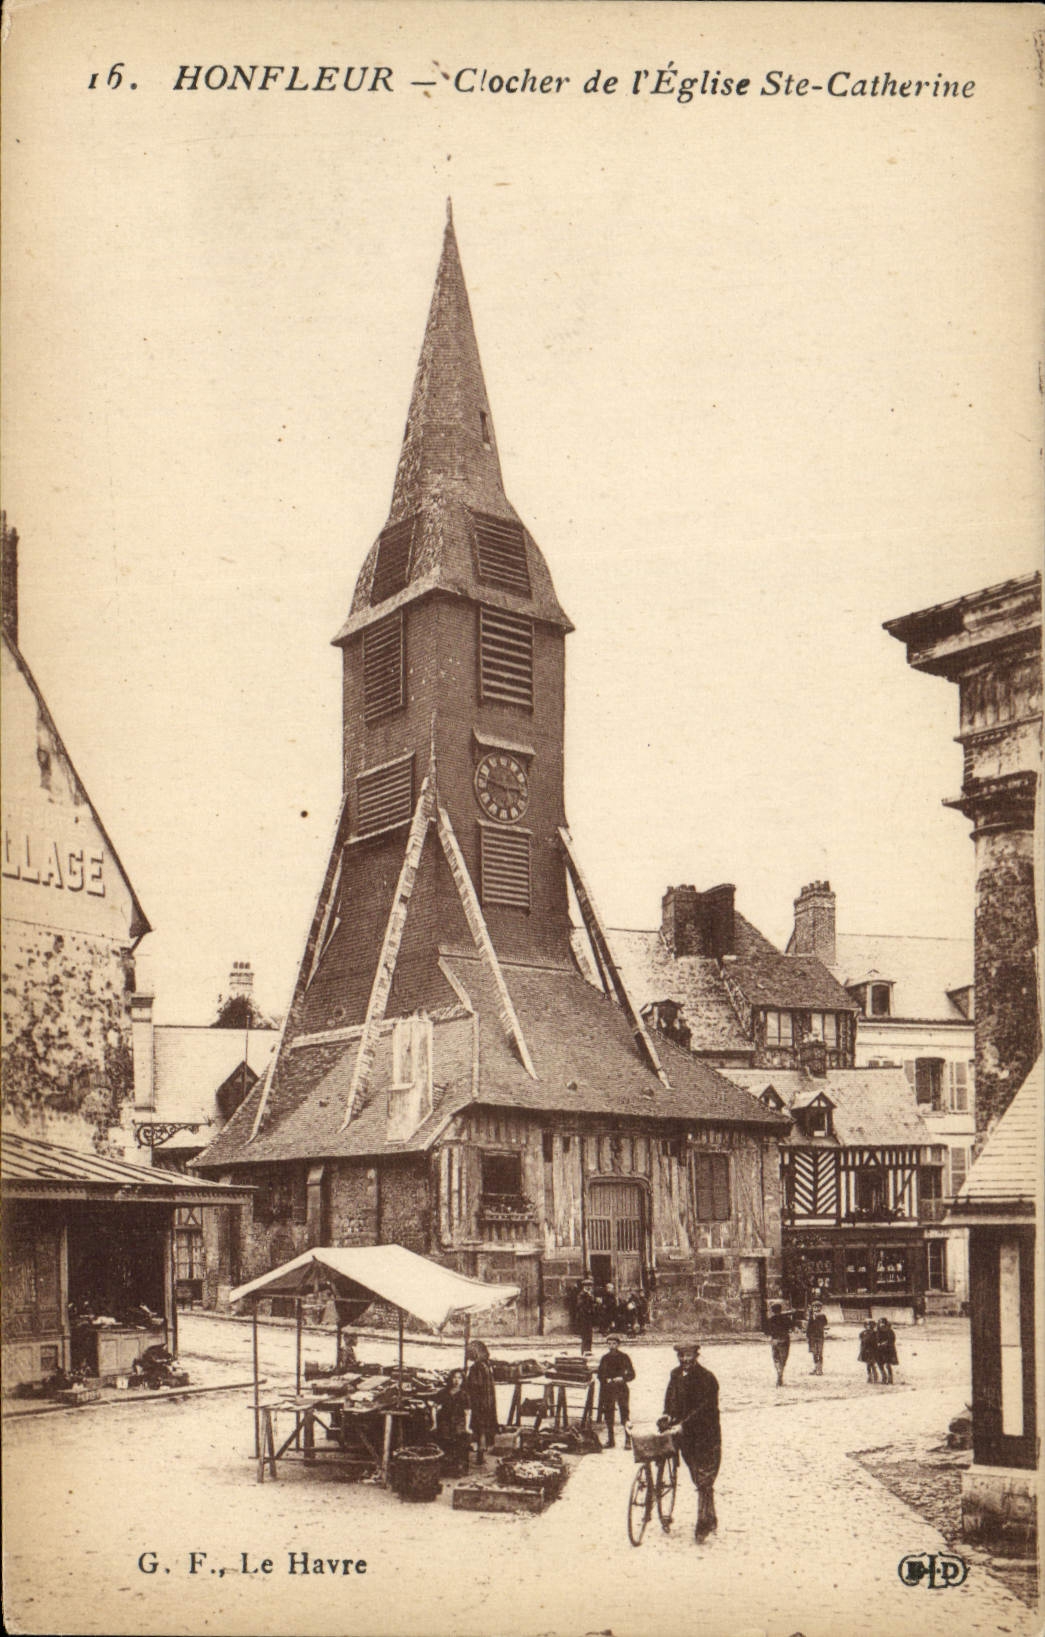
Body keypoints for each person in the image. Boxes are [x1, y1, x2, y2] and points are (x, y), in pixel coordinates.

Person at [663, 1342, 721, 1542]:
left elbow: (706, 1408)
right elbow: (670, 1397)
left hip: (706, 1434)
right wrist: (667, 1414)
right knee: (697, 1476)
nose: (685, 1360)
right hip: (685, 1435)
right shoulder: (675, 1374)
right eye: (681, 1356)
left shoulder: (707, 1378)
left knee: (704, 1478)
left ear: (696, 1355)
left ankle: (702, 1525)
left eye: (689, 1356)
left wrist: (684, 1425)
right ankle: (711, 1517)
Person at [596, 1334, 635, 1449]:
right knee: (608, 1414)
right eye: (609, 1344)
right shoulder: (605, 1358)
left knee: (624, 1413)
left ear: (618, 1344)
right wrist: (606, 1379)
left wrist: (623, 1378)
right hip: (608, 1389)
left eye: (614, 1343)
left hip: (621, 1388)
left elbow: (632, 1374)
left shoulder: (624, 1357)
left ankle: (628, 1440)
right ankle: (611, 1440)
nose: (611, 1346)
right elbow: (599, 1374)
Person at [465, 1340, 499, 1463]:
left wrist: (465, 1383)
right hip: (487, 1401)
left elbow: (475, 1385)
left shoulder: (476, 1367)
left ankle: (479, 1455)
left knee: (479, 1427)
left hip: (478, 1402)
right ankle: (481, 1454)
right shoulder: (486, 1364)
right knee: (483, 1428)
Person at [434, 1368, 471, 1475]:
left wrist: (467, 1427)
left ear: (463, 1380)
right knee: (444, 1437)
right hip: (445, 1420)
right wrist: (434, 1423)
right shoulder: (443, 1392)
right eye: (454, 1377)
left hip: (459, 1421)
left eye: (459, 1378)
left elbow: (467, 1412)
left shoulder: (464, 1395)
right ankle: (445, 1467)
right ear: (450, 1379)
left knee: (460, 1437)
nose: (456, 1380)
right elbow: (434, 1406)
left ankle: (459, 1468)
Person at [767, 1301, 792, 1387]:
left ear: (772, 1311)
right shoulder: (786, 1318)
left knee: (776, 1358)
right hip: (784, 1339)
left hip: (775, 1340)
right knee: (783, 1359)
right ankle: (780, 1373)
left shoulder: (770, 1320)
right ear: (781, 1310)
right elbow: (791, 1328)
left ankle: (778, 1372)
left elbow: (767, 1331)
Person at [575, 1278, 596, 1355]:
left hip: (589, 1318)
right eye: (587, 1285)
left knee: (589, 1336)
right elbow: (580, 1305)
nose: (589, 1287)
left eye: (590, 1285)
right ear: (584, 1286)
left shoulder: (589, 1294)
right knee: (585, 1336)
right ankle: (584, 1351)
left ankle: (588, 1351)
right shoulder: (582, 1294)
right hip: (583, 1318)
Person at [806, 1303, 827, 1375]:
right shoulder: (811, 1316)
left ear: (820, 1308)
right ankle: (816, 1368)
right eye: (814, 1307)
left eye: (818, 1307)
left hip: (819, 1336)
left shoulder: (822, 1316)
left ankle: (820, 1369)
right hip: (812, 1337)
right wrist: (807, 1336)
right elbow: (808, 1327)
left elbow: (824, 1323)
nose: (816, 1308)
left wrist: (815, 1317)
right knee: (814, 1353)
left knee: (819, 1352)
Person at [876, 1317, 898, 1384]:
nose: (882, 1325)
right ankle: (884, 1376)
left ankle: (890, 1378)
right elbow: (876, 1339)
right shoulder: (878, 1331)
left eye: (883, 1323)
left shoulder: (890, 1331)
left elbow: (892, 1340)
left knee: (888, 1364)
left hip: (888, 1350)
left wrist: (885, 1343)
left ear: (886, 1324)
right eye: (880, 1323)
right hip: (879, 1350)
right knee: (880, 1364)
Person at [858, 1319, 880, 1384]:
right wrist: (862, 1350)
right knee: (868, 1364)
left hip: (872, 1351)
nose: (868, 1326)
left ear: (873, 1326)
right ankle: (869, 1377)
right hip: (865, 1350)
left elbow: (876, 1342)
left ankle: (875, 1377)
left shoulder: (875, 1333)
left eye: (870, 1325)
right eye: (867, 1325)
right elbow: (862, 1341)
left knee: (872, 1364)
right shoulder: (863, 1333)